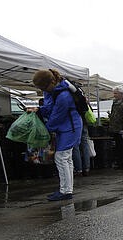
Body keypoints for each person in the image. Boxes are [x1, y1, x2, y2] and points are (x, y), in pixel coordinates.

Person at [33, 69, 82, 201]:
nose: (43, 90)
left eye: (43, 87)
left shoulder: (63, 95)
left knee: (61, 157)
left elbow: (56, 116)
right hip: (67, 127)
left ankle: (65, 191)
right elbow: (49, 108)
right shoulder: (53, 91)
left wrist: (45, 130)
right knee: (66, 158)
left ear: (51, 82)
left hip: (70, 127)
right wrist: (38, 110)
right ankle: (67, 189)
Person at [72, 105, 91, 177]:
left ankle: (78, 169)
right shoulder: (81, 100)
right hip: (84, 123)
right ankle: (86, 168)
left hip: (75, 124)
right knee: (85, 146)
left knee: (76, 146)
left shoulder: (70, 99)